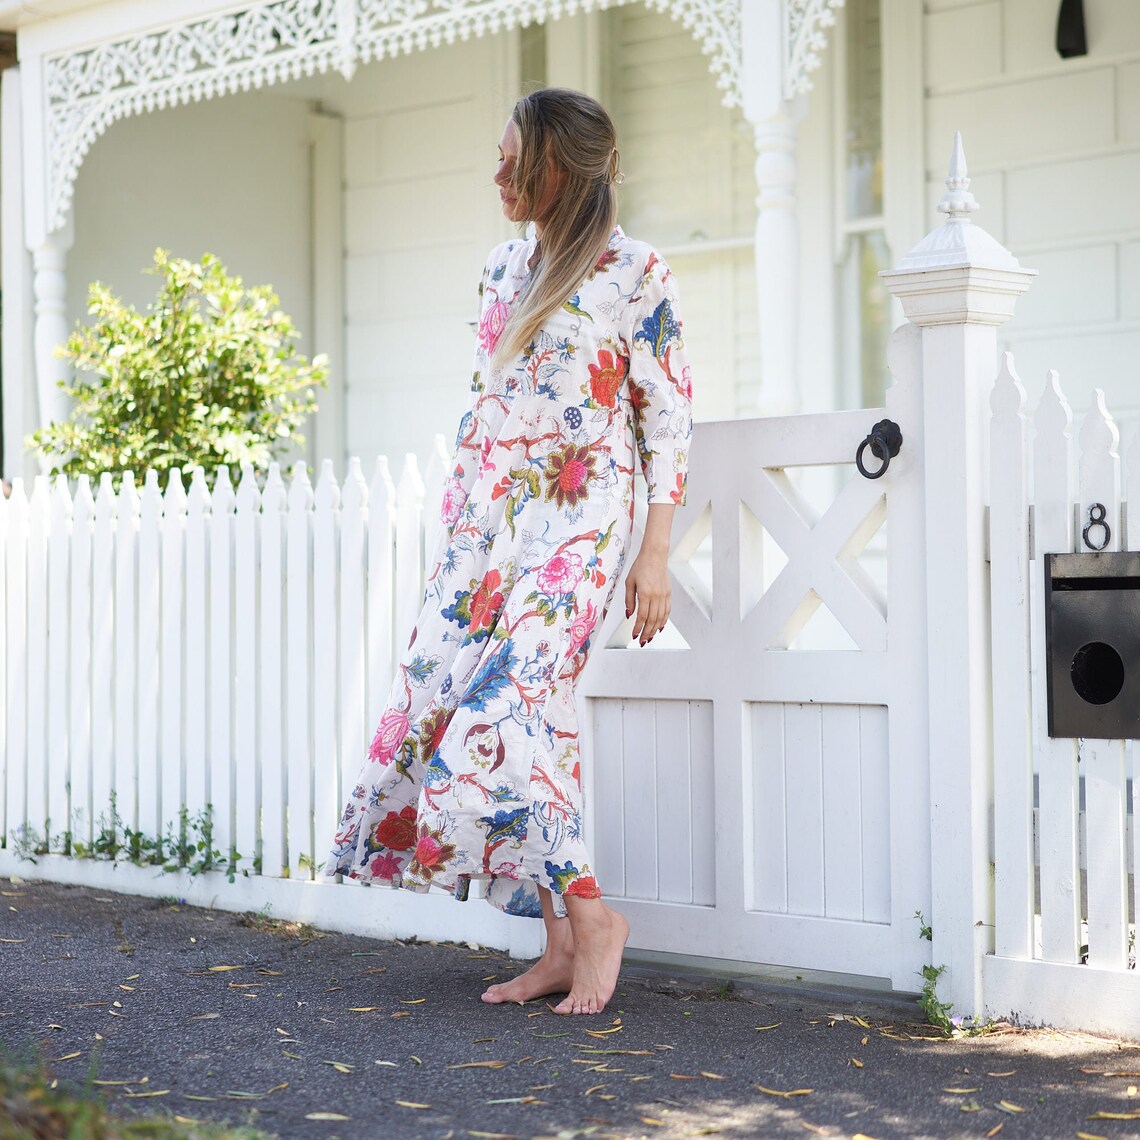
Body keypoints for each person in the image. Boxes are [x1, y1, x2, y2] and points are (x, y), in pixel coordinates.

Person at [324, 87, 692, 1016]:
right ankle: (559, 944)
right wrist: (461, 537)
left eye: (510, 157)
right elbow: (487, 409)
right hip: (489, 533)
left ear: (558, 164)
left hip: (581, 526)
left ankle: (596, 917)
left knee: (511, 715)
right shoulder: (500, 269)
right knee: (533, 724)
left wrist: (656, 553)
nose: (494, 173)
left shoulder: (633, 271)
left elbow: (668, 421)